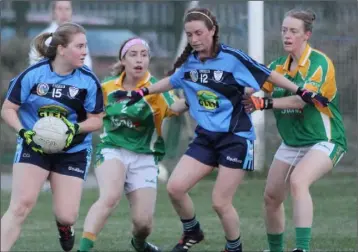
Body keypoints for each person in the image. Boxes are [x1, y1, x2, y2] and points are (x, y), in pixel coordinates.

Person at [111, 7, 329, 252]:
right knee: (175, 187)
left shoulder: (232, 58)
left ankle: (234, 247)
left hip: (235, 137)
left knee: (220, 201)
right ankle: (192, 230)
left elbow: (270, 75)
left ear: (212, 31)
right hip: (206, 137)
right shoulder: (190, 62)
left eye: (198, 33)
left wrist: (300, 91)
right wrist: (141, 92)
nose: (194, 40)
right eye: (189, 35)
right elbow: (172, 81)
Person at [242, 9, 347, 252]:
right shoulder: (277, 66)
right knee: (271, 197)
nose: (287, 35)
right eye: (284, 30)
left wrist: (265, 103)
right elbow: (251, 88)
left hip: (326, 139)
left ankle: (301, 249)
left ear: (306, 35)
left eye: (293, 31)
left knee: (299, 180)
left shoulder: (320, 63)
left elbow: (302, 100)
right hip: (292, 143)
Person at [77, 37, 188, 252]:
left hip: (145, 156)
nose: (139, 60)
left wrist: (195, 97)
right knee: (109, 196)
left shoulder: (155, 88)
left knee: (143, 224)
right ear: (123, 59)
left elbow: (175, 106)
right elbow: (88, 113)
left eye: (144, 55)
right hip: (112, 149)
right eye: (133, 54)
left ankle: (139, 244)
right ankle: (83, 249)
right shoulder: (107, 88)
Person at [0, 22, 104, 252]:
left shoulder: (88, 81)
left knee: (67, 215)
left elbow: (97, 120)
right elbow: (7, 109)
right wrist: (24, 133)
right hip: (33, 146)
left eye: (86, 46)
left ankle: (65, 227)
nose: (85, 51)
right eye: (80, 46)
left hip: (72, 152)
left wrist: (71, 130)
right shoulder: (32, 75)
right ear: (62, 49)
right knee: (20, 206)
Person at [29, 1, 92, 69]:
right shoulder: (45, 38)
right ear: (53, 12)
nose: (64, 12)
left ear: (71, 12)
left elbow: (87, 64)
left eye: (67, 9)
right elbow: (35, 65)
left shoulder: (79, 36)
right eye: (60, 9)